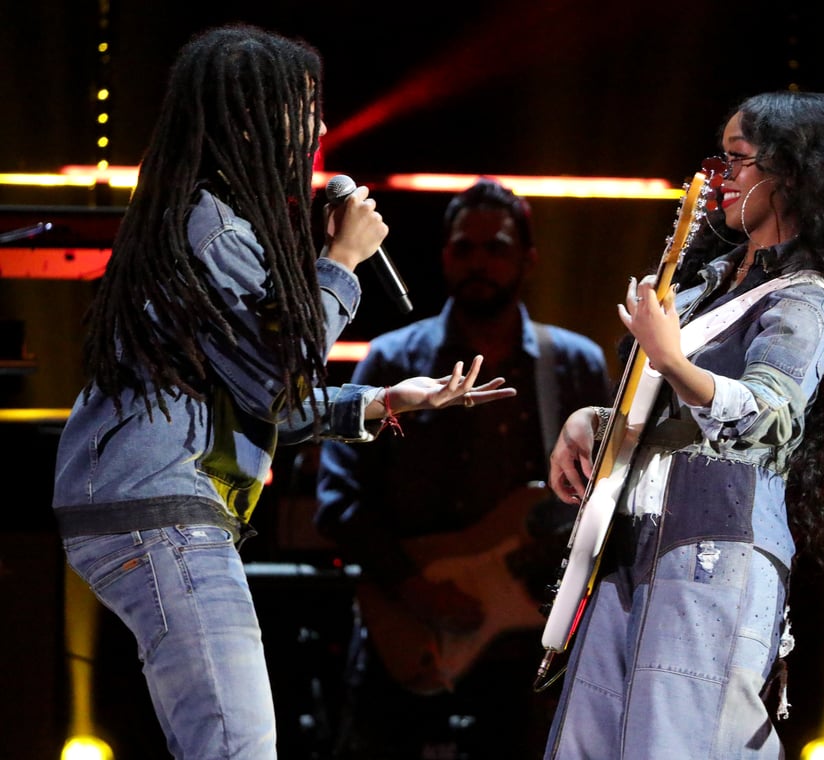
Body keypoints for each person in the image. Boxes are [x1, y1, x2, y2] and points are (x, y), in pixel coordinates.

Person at [50, 25, 516, 760]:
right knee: (238, 745)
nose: (323, 128)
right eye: (306, 108)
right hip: (162, 514)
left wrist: (389, 400)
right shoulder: (210, 232)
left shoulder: (209, 224)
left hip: (150, 510)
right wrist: (340, 263)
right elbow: (277, 379)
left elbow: (280, 398)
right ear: (248, 121)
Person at [543, 91, 824, 759]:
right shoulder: (707, 287)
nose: (717, 177)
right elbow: (668, 413)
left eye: (737, 161)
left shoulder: (805, 300)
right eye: (718, 159)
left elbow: (767, 416)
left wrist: (669, 356)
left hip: (710, 555)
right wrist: (594, 419)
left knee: (673, 745)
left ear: (792, 174)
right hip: (630, 551)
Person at [314, 177, 612, 758]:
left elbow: (607, 498)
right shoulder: (392, 358)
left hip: (531, 645)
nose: (479, 261)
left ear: (526, 259)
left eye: (496, 247)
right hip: (406, 630)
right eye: (464, 248)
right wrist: (414, 588)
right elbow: (340, 501)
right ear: (445, 255)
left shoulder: (574, 364)